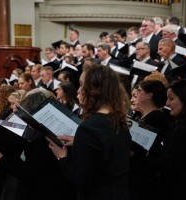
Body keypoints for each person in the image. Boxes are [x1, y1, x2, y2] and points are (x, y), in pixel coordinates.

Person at [47, 64, 131, 200]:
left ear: (94, 89)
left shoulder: (88, 128)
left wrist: (61, 157)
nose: (79, 90)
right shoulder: (119, 120)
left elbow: (80, 181)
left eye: (81, 85)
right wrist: (79, 142)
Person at [0, 88, 77, 200]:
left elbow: (28, 172)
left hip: (44, 190)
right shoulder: (58, 127)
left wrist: (2, 160)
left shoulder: (43, 137)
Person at [129, 80, 173, 200]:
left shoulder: (156, 117)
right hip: (136, 171)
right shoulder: (141, 115)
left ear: (150, 95)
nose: (136, 94)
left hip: (143, 174)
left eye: (139, 91)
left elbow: (139, 149)